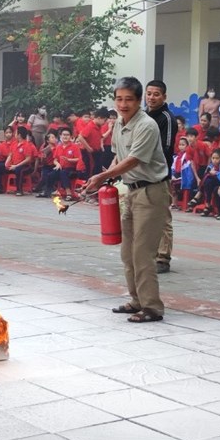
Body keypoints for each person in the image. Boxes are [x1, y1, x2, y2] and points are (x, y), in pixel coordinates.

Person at [85, 77, 171, 323]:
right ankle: (137, 300)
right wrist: (106, 178)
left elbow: (134, 159)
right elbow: (118, 157)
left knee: (143, 252)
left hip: (151, 192)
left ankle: (152, 307)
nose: (123, 104)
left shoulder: (147, 125)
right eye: (119, 99)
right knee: (127, 251)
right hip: (130, 190)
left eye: (129, 99)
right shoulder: (119, 124)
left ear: (139, 100)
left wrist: (102, 177)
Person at [145, 80, 179, 273]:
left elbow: (166, 149)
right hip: (141, 175)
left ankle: (163, 258)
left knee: (162, 218)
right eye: (149, 93)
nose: (151, 97)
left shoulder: (167, 118)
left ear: (164, 97)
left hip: (159, 175)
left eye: (156, 94)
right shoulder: (143, 116)